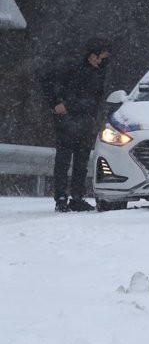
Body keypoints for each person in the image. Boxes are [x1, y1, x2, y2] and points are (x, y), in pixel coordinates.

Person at [40, 36, 112, 212]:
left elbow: (94, 100)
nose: (104, 61)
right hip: (67, 120)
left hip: (86, 121)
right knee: (64, 160)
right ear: (92, 56)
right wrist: (56, 103)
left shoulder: (99, 73)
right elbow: (46, 78)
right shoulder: (71, 67)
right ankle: (62, 198)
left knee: (81, 161)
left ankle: (77, 197)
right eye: (102, 57)